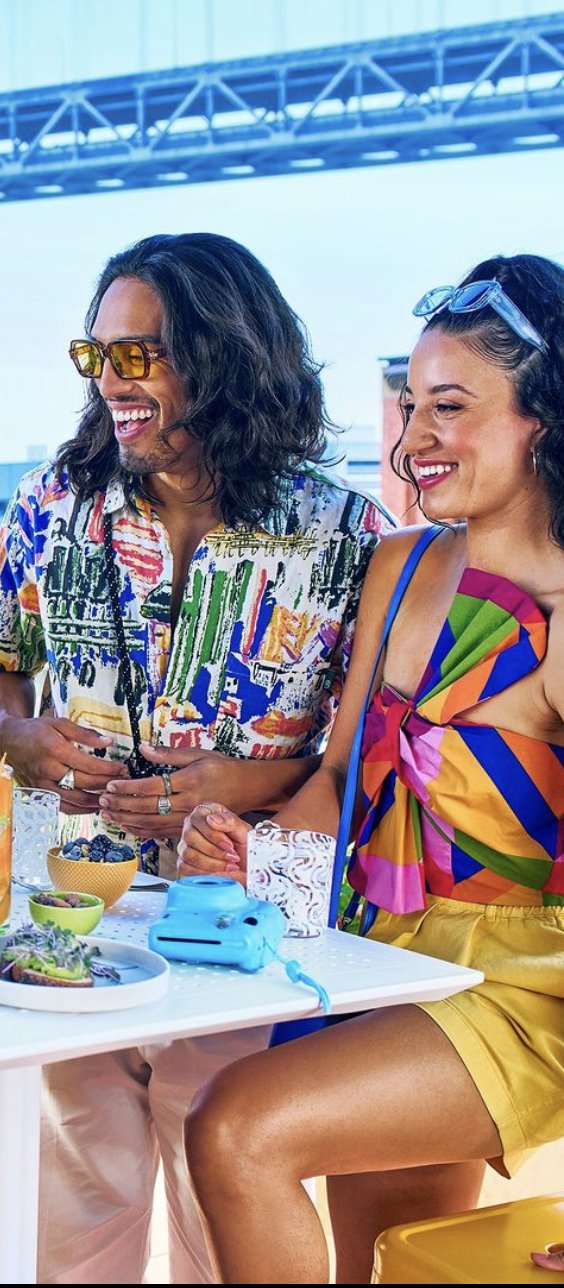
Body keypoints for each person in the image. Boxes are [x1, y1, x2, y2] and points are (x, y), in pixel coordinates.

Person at [0, 231, 392, 1283]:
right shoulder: (50, 505)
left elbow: (373, 751)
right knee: (70, 1215)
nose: (111, 381)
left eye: (139, 353)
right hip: (70, 906)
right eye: (97, 354)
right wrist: (18, 737)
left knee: (220, 1195)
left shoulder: (348, 534)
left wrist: (248, 784)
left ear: (226, 354)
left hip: (240, 915)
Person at [181, 254, 564, 1284]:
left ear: (543, 420)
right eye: (412, 406)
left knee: (236, 1128)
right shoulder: (399, 568)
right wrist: (259, 854)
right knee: (383, 1266)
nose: (416, 438)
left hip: (519, 991)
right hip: (377, 952)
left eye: (452, 406)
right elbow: (341, 779)